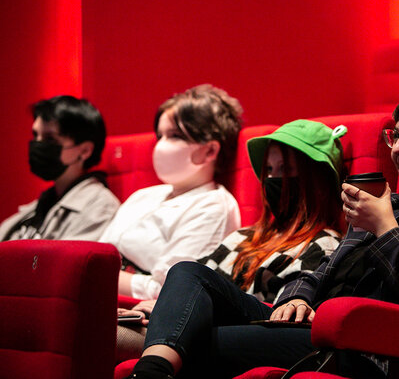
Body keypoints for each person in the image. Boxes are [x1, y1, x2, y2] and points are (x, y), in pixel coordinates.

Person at [124, 88, 399, 379]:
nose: (397, 149)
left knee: (195, 341)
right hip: (310, 325)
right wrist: (297, 297)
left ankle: (152, 370)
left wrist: (383, 227)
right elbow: (321, 272)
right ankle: (152, 371)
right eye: (395, 135)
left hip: (359, 342)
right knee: (188, 272)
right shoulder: (391, 204)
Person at [115, 120, 346, 361]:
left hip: (250, 333)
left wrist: (175, 313)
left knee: (184, 274)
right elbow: (195, 283)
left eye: (286, 170)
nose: (273, 179)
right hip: (192, 325)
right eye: (268, 170)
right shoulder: (243, 236)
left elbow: (285, 314)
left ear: (316, 180)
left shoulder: (324, 244)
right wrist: (159, 306)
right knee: (104, 328)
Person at [99, 85, 241, 300]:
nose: (161, 146)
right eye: (160, 136)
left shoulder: (213, 206)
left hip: (143, 315)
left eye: (175, 136)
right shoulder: (143, 195)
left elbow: (170, 289)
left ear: (210, 150)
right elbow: (99, 252)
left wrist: (102, 276)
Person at [0, 95, 119, 241]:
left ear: (85, 151)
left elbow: (65, 262)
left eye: (50, 139)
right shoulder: (39, 205)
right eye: (35, 135)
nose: (38, 144)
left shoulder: (99, 208)